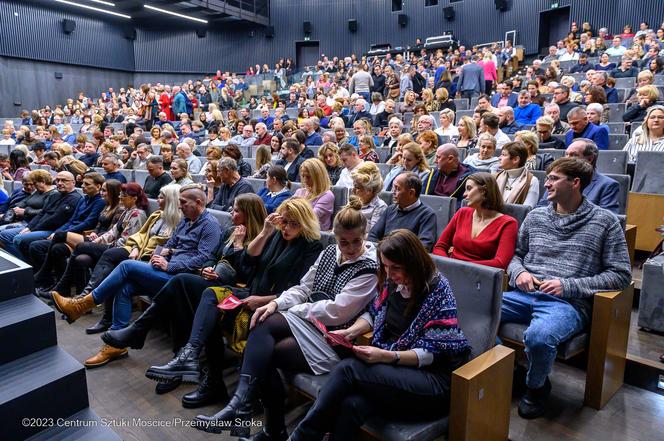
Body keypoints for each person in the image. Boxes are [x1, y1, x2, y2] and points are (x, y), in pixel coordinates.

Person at [192, 199, 378, 438]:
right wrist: (276, 303)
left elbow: (336, 312)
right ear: (335, 236)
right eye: (343, 241)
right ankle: (261, 419)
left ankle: (252, 414)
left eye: (356, 241)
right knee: (263, 326)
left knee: (264, 336)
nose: (350, 247)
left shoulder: (369, 268)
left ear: (365, 235)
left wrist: (292, 309)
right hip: (311, 326)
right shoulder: (330, 251)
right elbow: (303, 288)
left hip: (335, 339)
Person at [289, 229, 470, 441]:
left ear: (414, 263)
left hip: (432, 382)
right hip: (395, 370)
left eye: (396, 268)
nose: (389, 273)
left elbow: (435, 352)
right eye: (385, 266)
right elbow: (374, 313)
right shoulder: (392, 282)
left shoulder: (438, 290)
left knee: (348, 369)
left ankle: (301, 437)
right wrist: (349, 332)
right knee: (350, 405)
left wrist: (388, 356)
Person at [145, 198, 324, 407]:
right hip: (251, 293)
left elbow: (300, 291)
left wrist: (264, 300)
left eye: (294, 224)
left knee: (209, 309)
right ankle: (191, 356)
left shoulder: (312, 246)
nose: (286, 228)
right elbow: (248, 262)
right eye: (284, 221)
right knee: (209, 297)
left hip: (277, 306)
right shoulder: (275, 235)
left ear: (305, 223)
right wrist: (265, 232)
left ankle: (223, 385)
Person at [501, 157, 631, 419]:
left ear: (575, 183)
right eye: (547, 177)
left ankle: (535, 387)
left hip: (567, 303)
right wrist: (520, 272)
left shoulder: (604, 221)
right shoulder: (536, 216)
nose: (545, 183)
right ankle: (510, 370)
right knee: (472, 310)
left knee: (539, 336)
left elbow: (621, 275)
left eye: (553, 178)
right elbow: (515, 256)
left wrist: (569, 286)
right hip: (523, 294)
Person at [101, 193, 267, 393]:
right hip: (211, 281)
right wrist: (208, 268)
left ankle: (143, 333)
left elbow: (249, 275)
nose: (232, 212)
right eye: (232, 208)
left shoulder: (261, 238)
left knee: (179, 284)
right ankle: (175, 363)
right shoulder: (231, 230)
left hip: (232, 291)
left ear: (249, 213)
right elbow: (211, 256)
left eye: (237, 210)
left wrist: (239, 247)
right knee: (179, 296)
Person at [53, 186, 222, 368]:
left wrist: (170, 263)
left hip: (182, 279)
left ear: (198, 203)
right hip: (166, 270)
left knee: (125, 265)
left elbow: (203, 257)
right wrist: (162, 254)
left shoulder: (210, 225)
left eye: (183, 203)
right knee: (124, 287)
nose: (179, 206)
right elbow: (171, 243)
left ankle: (82, 304)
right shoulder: (186, 220)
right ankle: (115, 346)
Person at [32, 179, 123, 291]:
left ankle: (43, 274)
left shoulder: (119, 209)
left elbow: (112, 232)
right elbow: (98, 225)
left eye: (104, 191)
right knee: (57, 248)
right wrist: (95, 232)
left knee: (60, 235)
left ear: (113, 192)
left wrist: (98, 235)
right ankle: (62, 291)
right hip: (93, 237)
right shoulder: (107, 205)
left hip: (102, 242)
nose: (101, 193)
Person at [433, 172, 518, 269]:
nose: (464, 194)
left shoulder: (508, 223)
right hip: (449, 272)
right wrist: (449, 265)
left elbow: (500, 263)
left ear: (484, 191)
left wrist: (460, 267)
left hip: (480, 279)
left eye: (469, 189)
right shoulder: (462, 213)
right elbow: (440, 246)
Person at [368, 172, 437, 251]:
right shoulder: (390, 209)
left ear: (411, 193)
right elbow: (373, 235)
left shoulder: (427, 215)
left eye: (397, 188)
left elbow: (424, 246)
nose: (393, 192)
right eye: (393, 188)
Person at [495, 141, 541, 207]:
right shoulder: (496, 177)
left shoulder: (532, 181)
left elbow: (526, 210)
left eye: (504, 155)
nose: (499, 158)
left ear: (515, 159)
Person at [294, 158, 335, 231]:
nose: (305, 180)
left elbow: (310, 217)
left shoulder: (327, 195)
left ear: (318, 177)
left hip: (314, 235)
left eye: (308, 177)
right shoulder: (299, 192)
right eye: (303, 176)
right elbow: (286, 210)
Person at [350, 162, 387, 234]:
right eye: (353, 186)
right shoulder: (354, 201)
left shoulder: (380, 207)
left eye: (357, 187)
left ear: (369, 190)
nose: (353, 190)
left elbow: (372, 236)